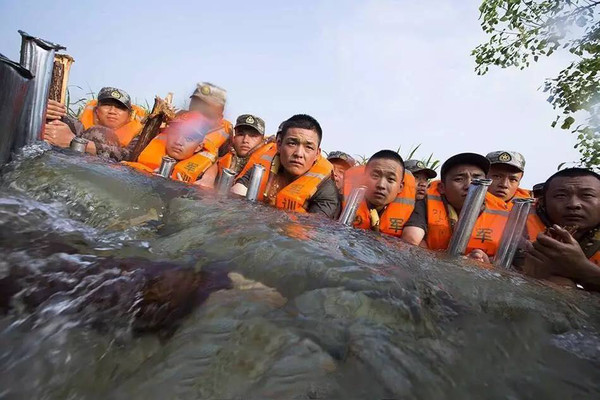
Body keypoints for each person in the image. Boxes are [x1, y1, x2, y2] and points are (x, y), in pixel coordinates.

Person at [402, 153, 509, 263]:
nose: (469, 185)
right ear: (442, 188)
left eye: (477, 179)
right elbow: (410, 241)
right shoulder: (425, 203)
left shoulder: (506, 216)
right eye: (459, 179)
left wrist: (487, 262)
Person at [231, 114, 340, 218]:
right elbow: (235, 195)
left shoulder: (326, 190)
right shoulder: (262, 168)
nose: (299, 153)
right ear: (279, 144)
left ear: (317, 153)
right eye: (292, 143)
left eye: (309, 147)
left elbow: (313, 229)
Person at [522, 168, 600, 291]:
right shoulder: (517, 227)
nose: (574, 204)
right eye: (561, 196)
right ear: (542, 202)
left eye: (587, 195)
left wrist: (580, 268)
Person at [122, 112, 217, 181]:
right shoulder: (139, 145)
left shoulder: (203, 175)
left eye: (189, 138)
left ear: (198, 147)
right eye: (175, 134)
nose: (178, 142)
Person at [342, 150, 416, 237]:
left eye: (390, 179)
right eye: (375, 176)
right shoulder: (338, 199)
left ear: (400, 187)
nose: (381, 185)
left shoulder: (414, 213)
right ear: (364, 179)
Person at [196, 114, 270, 188]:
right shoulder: (222, 154)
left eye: (253, 136)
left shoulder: (269, 165)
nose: (245, 140)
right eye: (241, 134)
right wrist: (209, 177)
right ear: (234, 137)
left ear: (262, 140)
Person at [188, 82, 233, 158]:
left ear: (219, 118)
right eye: (195, 106)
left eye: (206, 112)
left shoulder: (225, 142)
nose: (197, 114)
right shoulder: (170, 123)